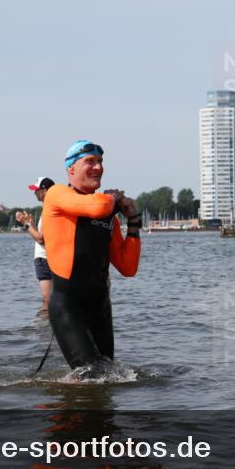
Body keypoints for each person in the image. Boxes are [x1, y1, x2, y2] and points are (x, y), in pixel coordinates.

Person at [41, 140, 141, 374]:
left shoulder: (108, 215)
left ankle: (69, 401)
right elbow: (97, 206)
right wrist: (115, 198)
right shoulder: (57, 194)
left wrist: (134, 222)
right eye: (90, 161)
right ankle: (62, 409)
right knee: (93, 376)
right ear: (71, 169)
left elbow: (128, 267)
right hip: (68, 308)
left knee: (108, 379)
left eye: (100, 162)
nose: (98, 167)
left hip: (101, 309)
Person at [15, 177, 55, 311]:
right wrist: (31, 225)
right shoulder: (52, 207)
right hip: (51, 258)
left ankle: (45, 327)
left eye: (36, 190)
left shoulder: (49, 209)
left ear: (44, 190)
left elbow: (40, 239)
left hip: (44, 259)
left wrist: (25, 224)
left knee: (47, 299)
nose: (35, 193)